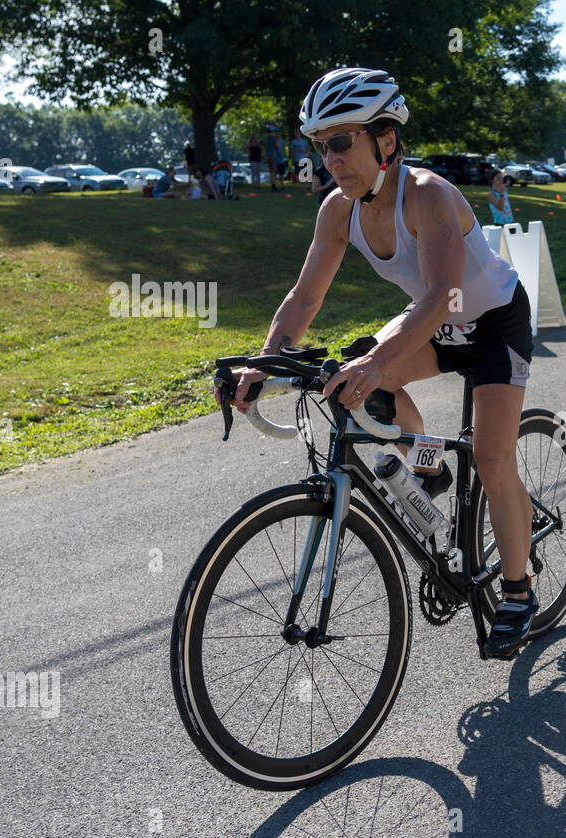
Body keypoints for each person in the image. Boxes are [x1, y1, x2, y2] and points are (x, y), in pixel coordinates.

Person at [226, 67, 541, 656]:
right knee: (358, 384)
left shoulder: (428, 195)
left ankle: (519, 591)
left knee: (495, 459)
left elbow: (444, 293)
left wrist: (380, 359)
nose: (330, 159)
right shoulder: (337, 211)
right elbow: (304, 298)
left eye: (342, 142)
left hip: (492, 321)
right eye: (321, 146)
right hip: (435, 323)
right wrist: (262, 366)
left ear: (386, 139)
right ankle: (429, 469)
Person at [264, 124, 283, 192]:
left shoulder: (266, 137)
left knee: (271, 171)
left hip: (267, 156)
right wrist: (277, 140)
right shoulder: (272, 137)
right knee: (273, 172)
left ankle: (273, 186)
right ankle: (273, 186)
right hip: (273, 156)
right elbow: (277, 146)